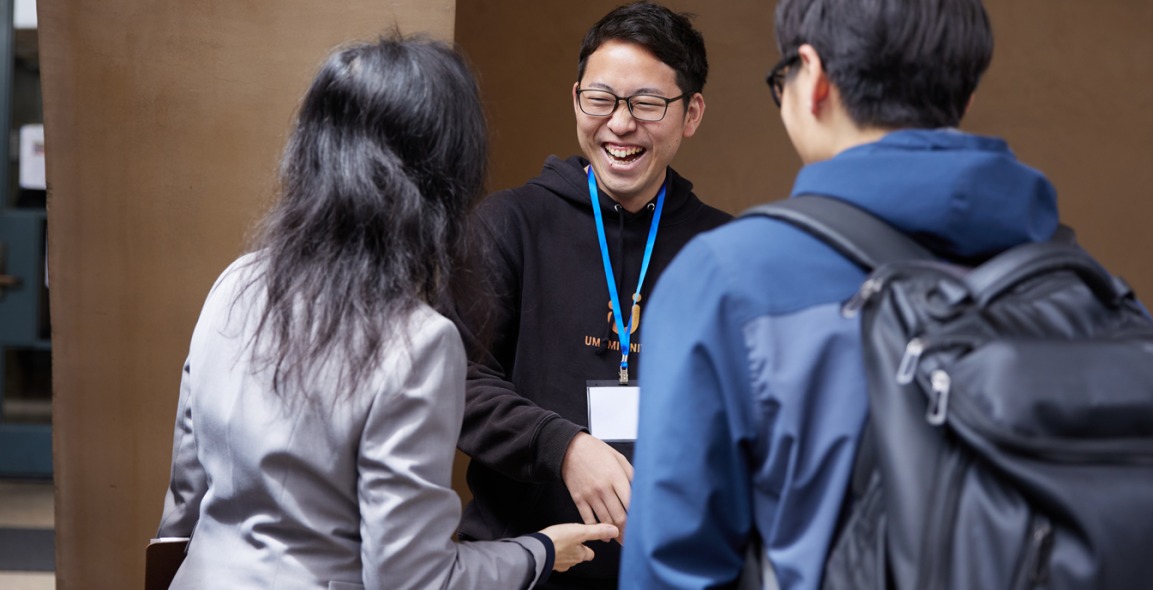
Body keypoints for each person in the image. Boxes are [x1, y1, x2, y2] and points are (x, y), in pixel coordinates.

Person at [620, 0, 1059, 588]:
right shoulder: (1070, 277)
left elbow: (674, 569)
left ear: (814, 78)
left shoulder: (726, 280)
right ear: (965, 99)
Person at [155, 34, 617, 590]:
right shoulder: (418, 343)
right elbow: (412, 579)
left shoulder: (235, 282)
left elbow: (185, 500)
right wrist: (538, 552)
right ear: (441, 174)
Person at [451, 2, 731, 588]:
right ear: (576, 96)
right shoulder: (509, 224)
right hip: (523, 566)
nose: (620, 125)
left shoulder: (724, 250)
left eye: (647, 104)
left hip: (674, 573)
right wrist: (564, 448)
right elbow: (455, 384)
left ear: (692, 113)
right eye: (600, 99)